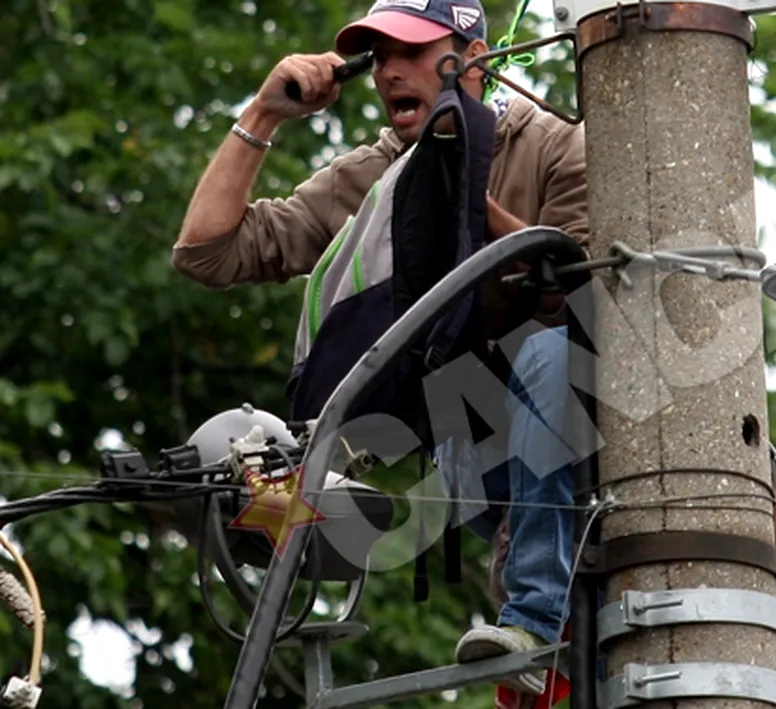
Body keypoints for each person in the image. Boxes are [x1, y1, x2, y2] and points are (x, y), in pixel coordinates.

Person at [171, 0, 587, 695]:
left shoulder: (553, 146)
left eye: (414, 52)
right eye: (380, 56)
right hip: (476, 463)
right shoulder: (376, 177)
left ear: (473, 56)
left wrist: (464, 186)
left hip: (594, 443)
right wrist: (264, 113)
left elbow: (587, 296)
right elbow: (206, 252)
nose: (392, 70)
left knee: (548, 351)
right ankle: (534, 600)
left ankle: (537, 617)